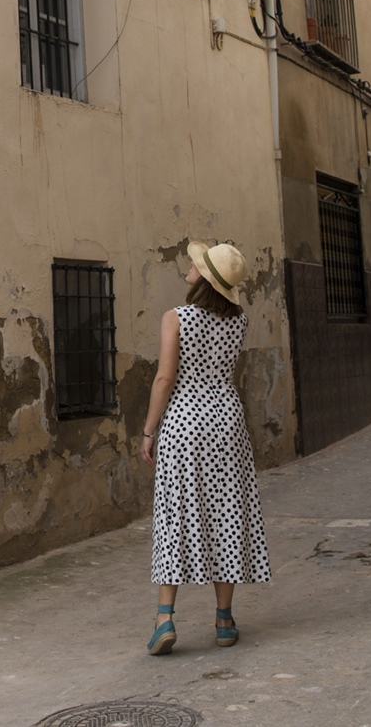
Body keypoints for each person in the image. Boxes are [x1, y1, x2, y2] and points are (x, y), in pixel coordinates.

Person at [138, 240, 270, 655]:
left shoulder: (175, 318)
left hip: (185, 421)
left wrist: (148, 430)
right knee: (227, 509)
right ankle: (225, 619)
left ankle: (165, 618)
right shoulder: (239, 321)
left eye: (195, 266)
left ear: (205, 279)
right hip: (226, 420)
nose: (188, 269)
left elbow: (164, 378)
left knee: (174, 511)